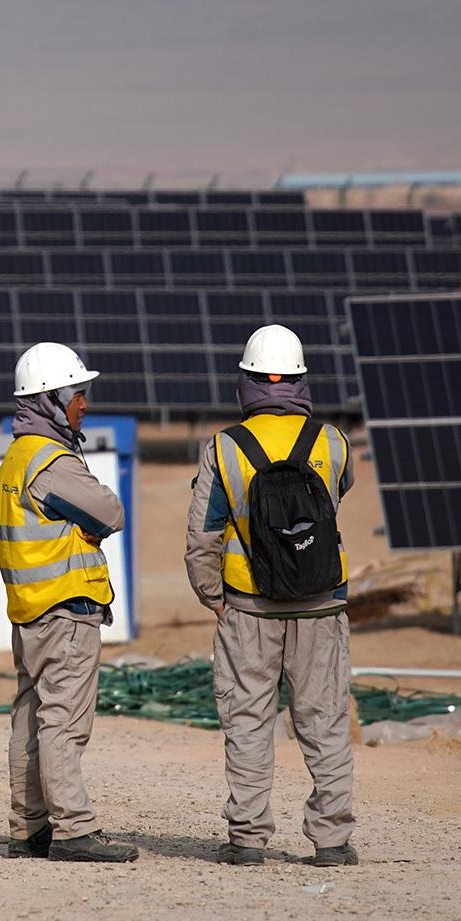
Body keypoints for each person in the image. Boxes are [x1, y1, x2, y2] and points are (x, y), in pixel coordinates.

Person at [185, 324, 358, 868]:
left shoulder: (224, 447)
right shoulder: (333, 441)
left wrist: (212, 595)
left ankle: (247, 840)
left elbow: (203, 535)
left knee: (247, 720)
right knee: (325, 720)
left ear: (247, 382)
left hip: (248, 605)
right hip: (322, 603)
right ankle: (331, 841)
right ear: (302, 380)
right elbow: (338, 493)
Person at [0, 341, 137, 864]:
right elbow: (110, 512)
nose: (84, 405)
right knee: (63, 722)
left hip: (30, 612)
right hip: (65, 612)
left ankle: (28, 828)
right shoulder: (52, 462)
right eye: (77, 394)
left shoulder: (15, 460)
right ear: (51, 399)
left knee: (30, 719)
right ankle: (74, 830)